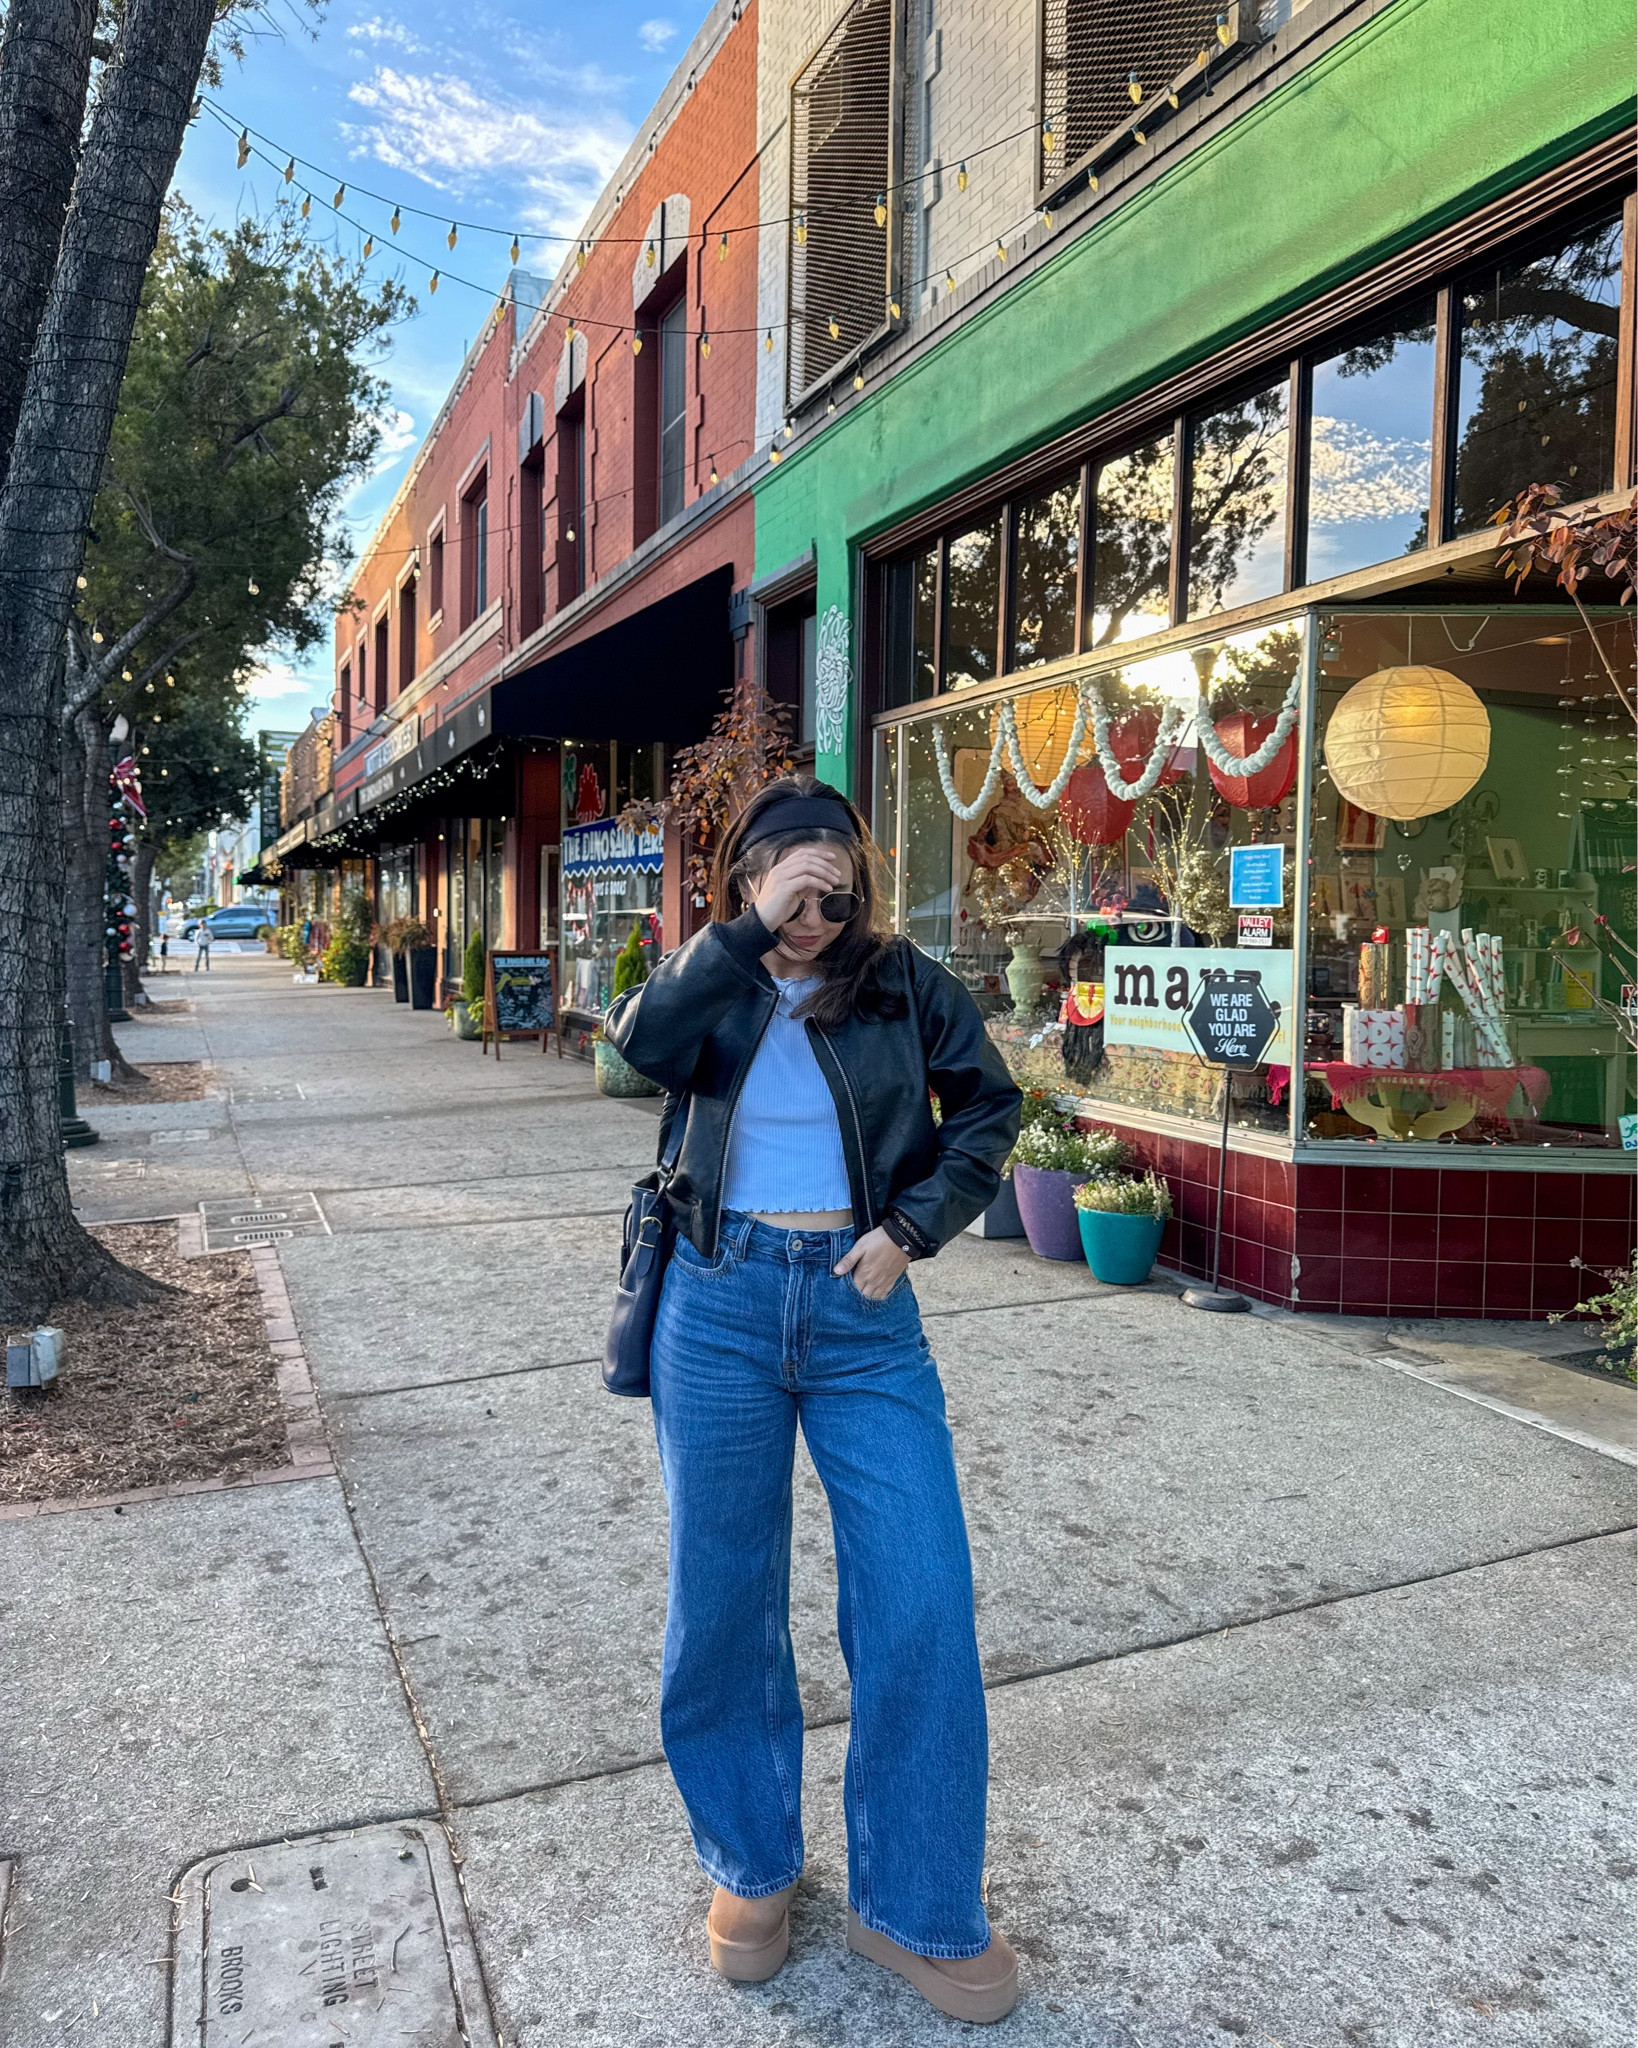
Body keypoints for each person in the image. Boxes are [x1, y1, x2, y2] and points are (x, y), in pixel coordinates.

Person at [605, 776, 1023, 2024]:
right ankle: (752, 1863)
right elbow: (631, 1054)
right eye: (787, 868)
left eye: (832, 871)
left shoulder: (903, 983)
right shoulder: (709, 977)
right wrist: (742, 937)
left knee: (920, 1593)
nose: (813, 892)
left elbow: (991, 1109)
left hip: (862, 1307)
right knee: (723, 1595)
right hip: (717, 1301)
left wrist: (911, 1226)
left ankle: (917, 1900)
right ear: (744, 878)